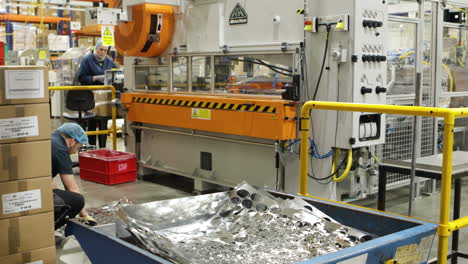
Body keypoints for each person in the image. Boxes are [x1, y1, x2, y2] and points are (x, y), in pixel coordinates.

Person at [52, 123, 97, 229]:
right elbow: (71, 187)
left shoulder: (52, 139)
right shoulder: (61, 150)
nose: (75, 152)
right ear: (72, 141)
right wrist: (84, 215)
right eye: (78, 147)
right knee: (77, 200)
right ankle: (48, 230)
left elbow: (48, 178)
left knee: (61, 198)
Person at [77, 39, 117, 147]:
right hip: (91, 96)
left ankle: (103, 147)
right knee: (92, 122)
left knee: (103, 122)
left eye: (105, 50)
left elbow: (116, 73)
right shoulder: (87, 60)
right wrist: (94, 78)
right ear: (96, 48)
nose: (103, 52)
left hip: (104, 97)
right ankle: (92, 146)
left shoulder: (109, 61)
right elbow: (81, 77)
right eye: (101, 49)